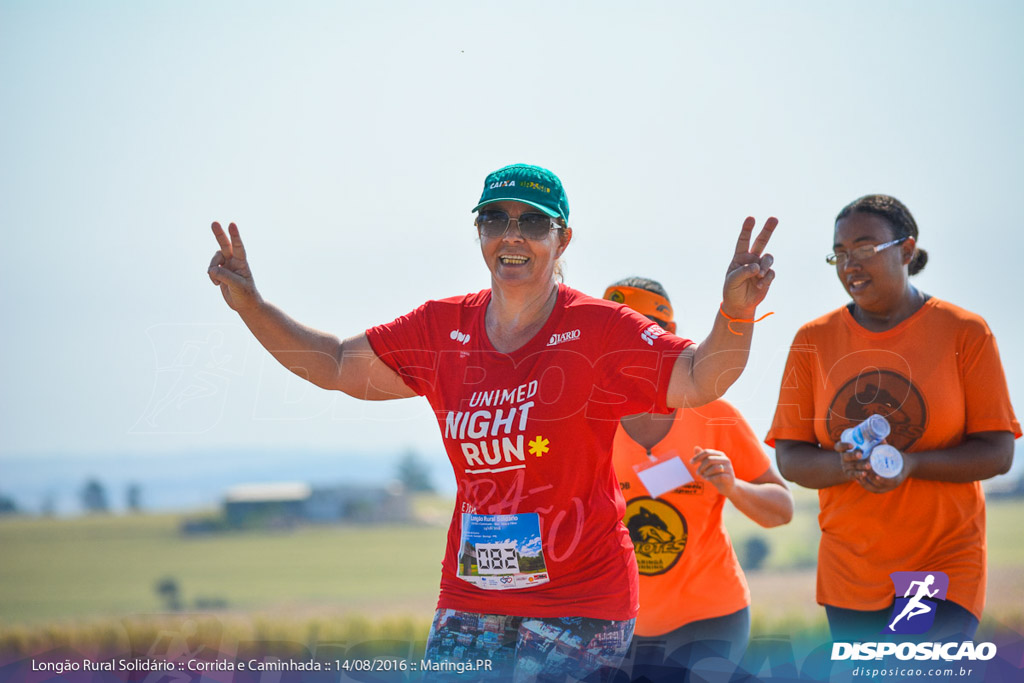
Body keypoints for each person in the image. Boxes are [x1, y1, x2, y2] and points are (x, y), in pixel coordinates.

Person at [207, 163, 778, 680]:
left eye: (533, 222)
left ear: (563, 240)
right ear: (478, 233)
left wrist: (736, 313)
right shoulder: (440, 328)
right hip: (472, 595)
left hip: (580, 601)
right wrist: (251, 305)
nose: (512, 235)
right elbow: (333, 364)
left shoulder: (602, 331)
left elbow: (702, 377)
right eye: (495, 220)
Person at [765, 194, 1019, 643]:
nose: (850, 265)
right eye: (839, 254)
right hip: (852, 568)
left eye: (864, 248)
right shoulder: (813, 340)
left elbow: (998, 453)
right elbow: (790, 457)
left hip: (940, 560)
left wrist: (912, 465)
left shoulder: (965, 332)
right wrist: (846, 465)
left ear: (906, 250)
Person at [604, 278, 793, 679]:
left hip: (710, 617)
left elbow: (782, 510)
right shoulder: (587, 420)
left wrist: (732, 486)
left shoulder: (715, 414)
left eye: (639, 332)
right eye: (612, 334)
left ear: (668, 337)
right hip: (617, 623)